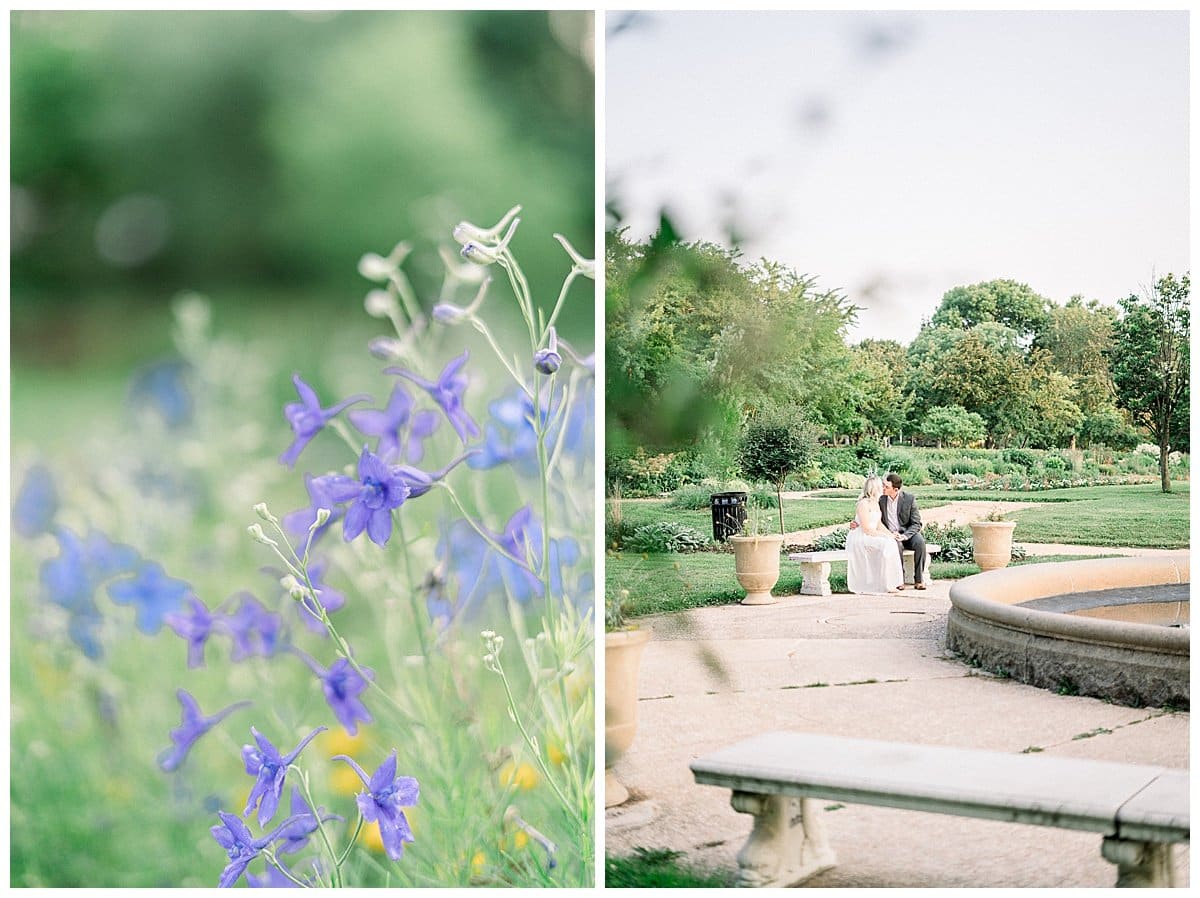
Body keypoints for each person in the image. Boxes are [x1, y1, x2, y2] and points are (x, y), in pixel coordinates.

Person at [845, 475, 904, 595]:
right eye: (881, 486)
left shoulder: (876, 503)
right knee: (886, 544)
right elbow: (866, 528)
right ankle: (887, 583)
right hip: (861, 537)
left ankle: (892, 582)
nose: (883, 487)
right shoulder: (863, 504)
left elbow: (879, 524)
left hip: (872, 535)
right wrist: (883, 536)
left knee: (891, 542)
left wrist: (890, 534)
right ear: (874, 488)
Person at [880, 472, 928, 590]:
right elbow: (870, 515)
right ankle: (899, 580)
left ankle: (919, 580)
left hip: (907, 533)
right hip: (889, 534)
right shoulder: (880, 499)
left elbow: (916, 523)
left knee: (920, 542)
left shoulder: (909, 499)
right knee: (897, 546)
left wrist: (905, 536)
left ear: (895, 489)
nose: (883, 488)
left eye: (886, 487)